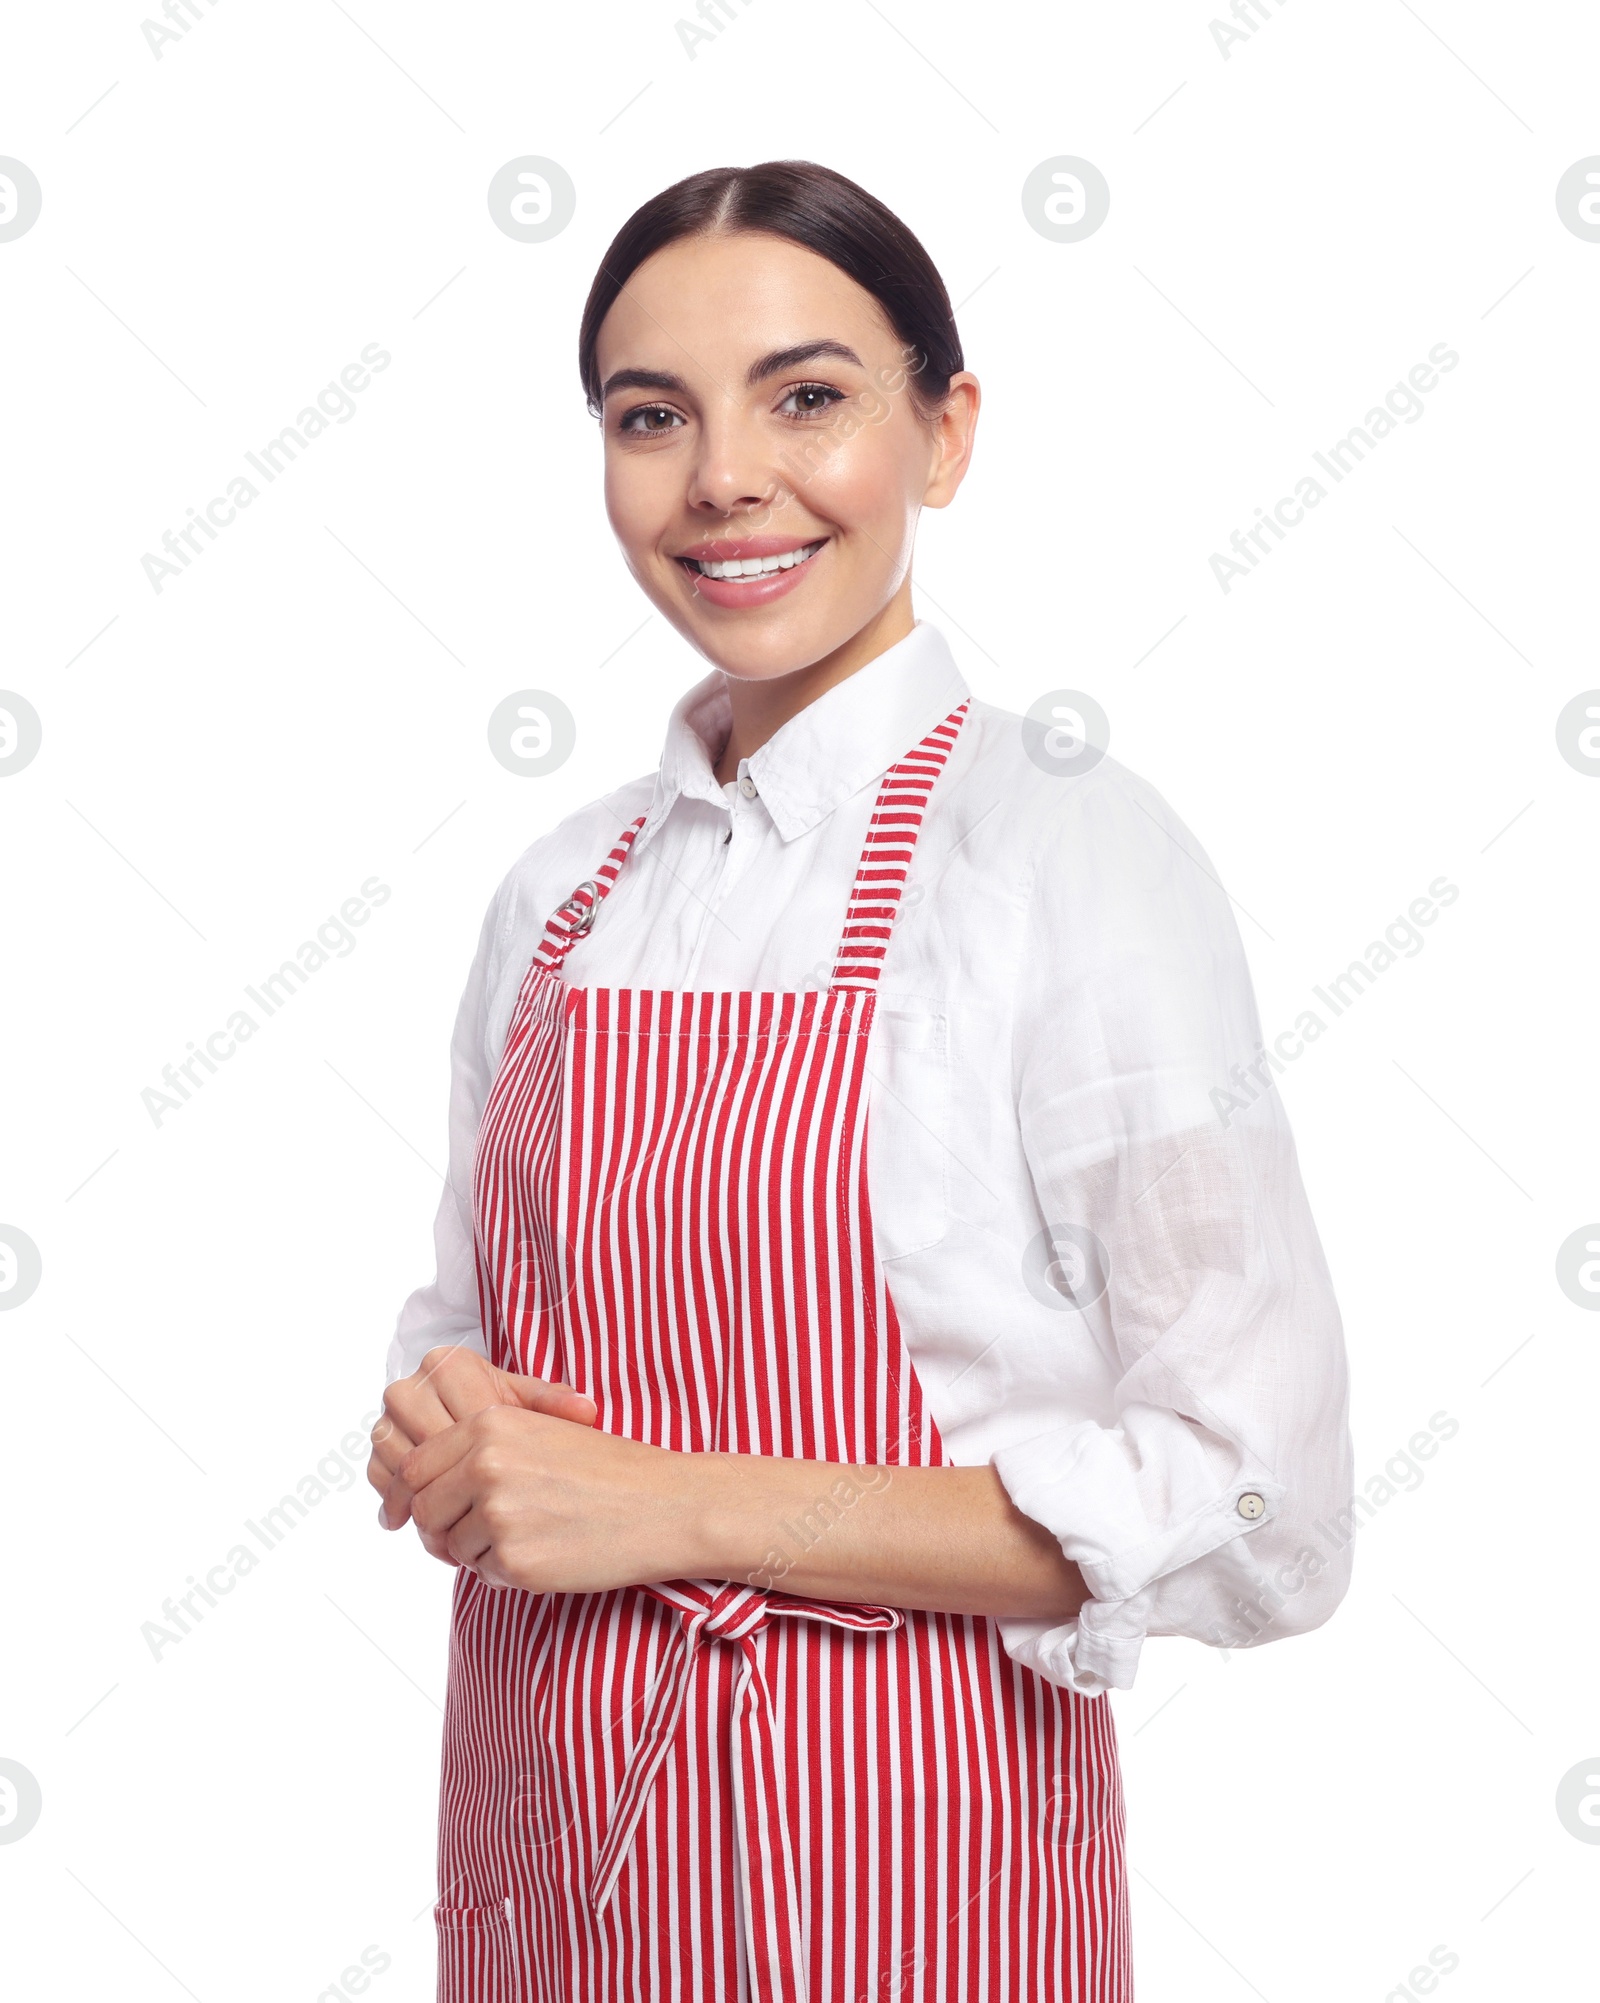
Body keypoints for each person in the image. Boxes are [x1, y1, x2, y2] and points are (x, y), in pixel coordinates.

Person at [367, 159, 1354, 2003]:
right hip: (543, 1881)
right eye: (650, 417)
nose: (724, 476)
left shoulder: (1067, 861)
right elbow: (471, 1339)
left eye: (806, 397)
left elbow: (1259, 1503)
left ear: (946, 430)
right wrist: (440, 1428)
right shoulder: (566, 895)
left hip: (909, 1899)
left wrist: (682, 1506)